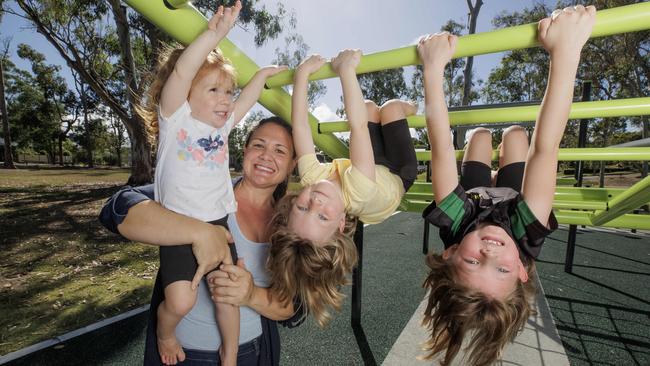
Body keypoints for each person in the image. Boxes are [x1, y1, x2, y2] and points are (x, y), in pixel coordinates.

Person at [417, 5, 596, 365]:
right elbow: (546, 150)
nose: (490, 254)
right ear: (521, 270)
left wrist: (432, 68)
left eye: (471, 261)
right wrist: (566, 52)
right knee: (517, 136)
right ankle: (504, 163)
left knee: (481, 135)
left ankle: (489, 166)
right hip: (514, 200)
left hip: (477, 201)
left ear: (451, 253)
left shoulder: (455, 226)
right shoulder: (527, 233)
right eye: (501, 269)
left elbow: (439, 144)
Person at [137, 1, 287, 364]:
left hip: (219, 225)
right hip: (179, 226)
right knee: (181, 300)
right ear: (188, 93)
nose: (225, 100)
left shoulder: (221, 129)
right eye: (214, 91)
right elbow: (183, 73)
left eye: (227, 91)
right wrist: (215, 34)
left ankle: (231, 354)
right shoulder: (176, 120)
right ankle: (165, 331)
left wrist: (259, 78)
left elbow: (246, 103)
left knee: (227, 296)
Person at [100, 117, 303, 366]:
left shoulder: (292, 222)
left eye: (280, 150)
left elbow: (289, 306)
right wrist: (199, 232)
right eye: (259, 145)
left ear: (293, 163)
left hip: (253, 352)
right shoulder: (201, 193)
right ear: (245, 150)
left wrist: (250, 295)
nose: (266, 156)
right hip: (186, 354)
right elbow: (118, 207)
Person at [266, 51, 418, 327]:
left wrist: (302, 75)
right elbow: (356, 127)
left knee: (369, 106)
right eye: (322, 216)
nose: (315, 203)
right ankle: (411, 107)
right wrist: (346, 70)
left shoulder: (312, 178)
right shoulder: (356, 191)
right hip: (397, 172)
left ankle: (387, 112)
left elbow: (300, 126)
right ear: (339, 223)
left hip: (370, 166)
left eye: (302, 207)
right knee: (391, 108)